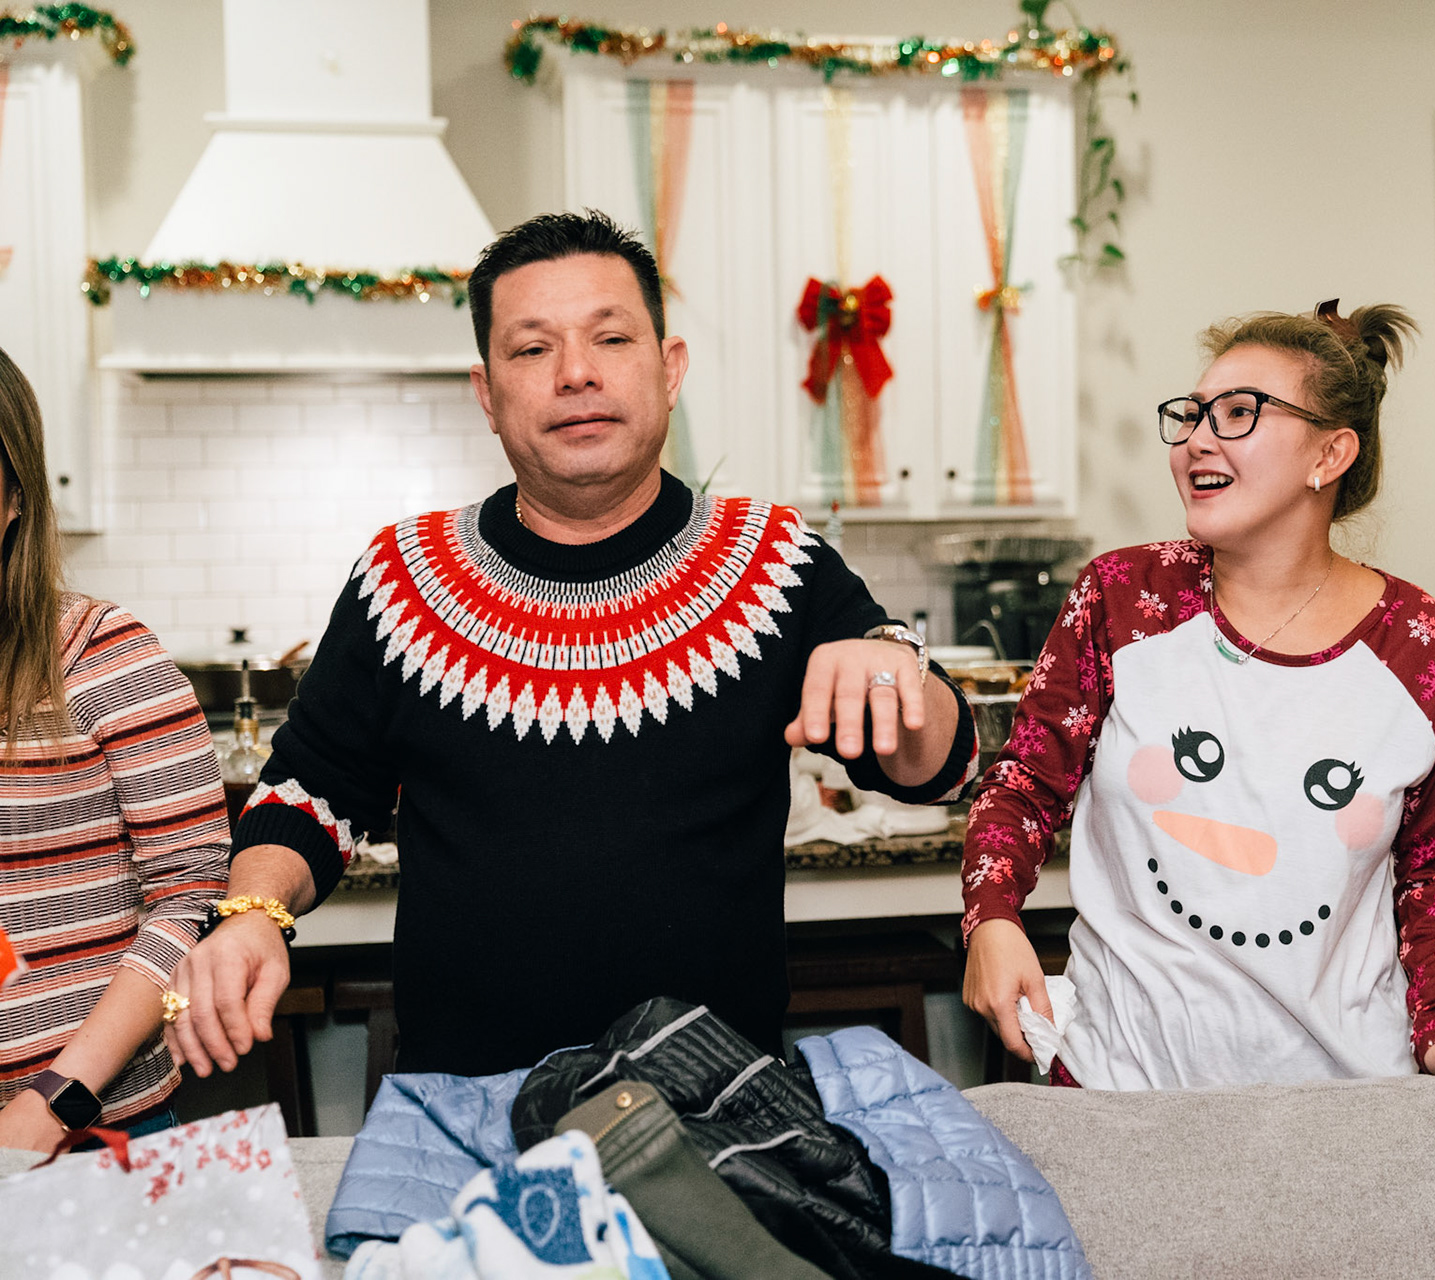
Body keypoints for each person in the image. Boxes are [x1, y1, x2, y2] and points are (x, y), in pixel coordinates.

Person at [163, 211, 975, 1082]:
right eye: (532, 348)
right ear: (487, 394)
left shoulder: (775, 561)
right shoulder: (403, 575)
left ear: (670, 369)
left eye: (611, 338)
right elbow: (311, 788)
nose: (577, 373)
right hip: (466, 1107)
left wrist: (897, 663)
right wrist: (253, 912)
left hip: (716, 1111)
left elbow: (943, 770)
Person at [962, 302, 1435, 1097]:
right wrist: (992, 917)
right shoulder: (1122, 597)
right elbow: (1024, 785)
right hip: (1122, 1086)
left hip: (1344, 1100)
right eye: (1192, 415)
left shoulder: (1421, 640)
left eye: (1237, 414)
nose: (1198, 439)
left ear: (1330, 454)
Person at [0, 348, 228, 1152]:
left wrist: (53, 1103)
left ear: (15, 498)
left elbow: (194, 890)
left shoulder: (102, 652)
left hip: (90, 1137)